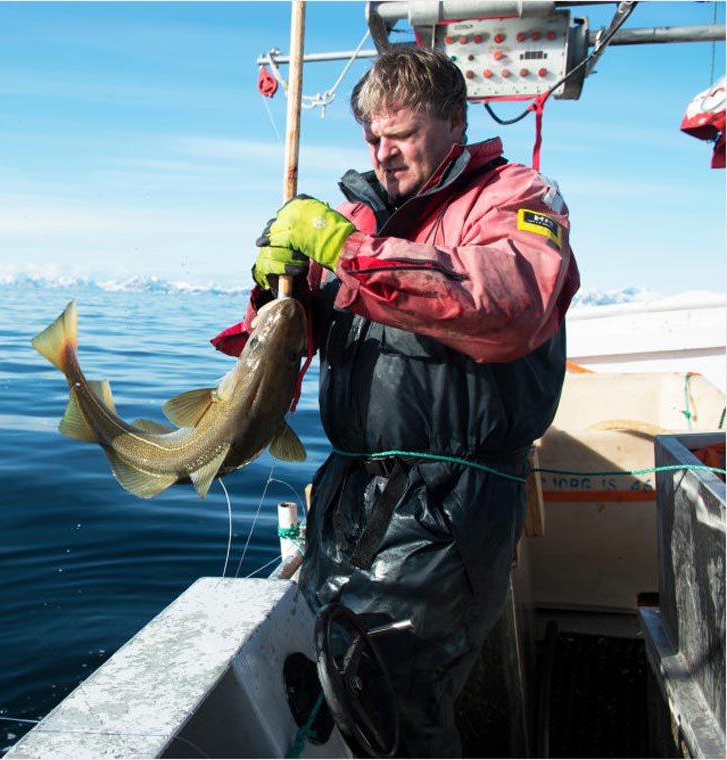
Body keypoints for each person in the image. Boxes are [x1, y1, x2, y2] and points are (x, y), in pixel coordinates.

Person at [212, 46, 579, 756]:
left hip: (447, 501)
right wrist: (276, 291)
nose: (383, 153)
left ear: (454, 121)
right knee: (341, 675)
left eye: (401, 135)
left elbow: (510, 300)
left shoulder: (515, 197)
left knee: (395, 695)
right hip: (352, 492)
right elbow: (287, 359)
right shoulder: (358, 215)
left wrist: (349, 249)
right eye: (372, 138)